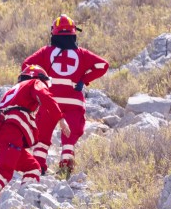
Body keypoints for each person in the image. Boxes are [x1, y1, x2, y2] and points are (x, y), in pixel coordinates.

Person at [0, 64, 70, 209]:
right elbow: (45, 96)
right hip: (12, 132)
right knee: (4, 171)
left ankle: (26, 202)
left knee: (33, 167)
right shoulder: (34, 82)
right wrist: (61, 118)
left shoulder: (10, 92)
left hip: (1, 134)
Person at [21, 15, 109, 178]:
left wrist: (38, 82)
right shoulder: (82, 53)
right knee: (70, 134)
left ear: (53, 34)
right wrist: (84, 79)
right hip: (73, 101)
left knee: (42, 134)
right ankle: (66, 165)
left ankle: (38, 166)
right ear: (74, 34)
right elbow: (103, 65)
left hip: (50, 100)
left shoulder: (46, 52)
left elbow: (26, 64)